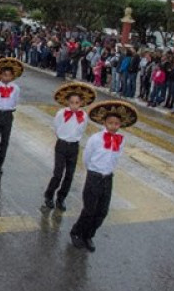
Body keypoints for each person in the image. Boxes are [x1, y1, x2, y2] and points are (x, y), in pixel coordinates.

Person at [70, 100, 138, 252]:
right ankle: (76, 232)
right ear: (104, 123)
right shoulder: (96, 138)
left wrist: (108, 171)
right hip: (94, 176)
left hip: (108, 177)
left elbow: (116, 156)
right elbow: (87, 157)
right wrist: (92, 171)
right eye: (110, 123)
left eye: (116, 123)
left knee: (102, 211)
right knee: (89, 209)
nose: (114, 126)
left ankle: (89, 234)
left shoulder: (121, 139)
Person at [43, 82, 95, 213]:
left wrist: (73, 139)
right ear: (67, 102)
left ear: (81, 103)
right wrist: (62, 137)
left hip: (74, 146)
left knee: (70, 174)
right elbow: (56, 126)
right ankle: (49, 195)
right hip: (61, 145)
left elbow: (82, 129)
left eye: (77, 103)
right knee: (58, 173)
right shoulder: (61, 113)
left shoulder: (83, 115)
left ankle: (61, 198)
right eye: (72, 102)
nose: (74, 105)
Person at [0, 57, 23, 175]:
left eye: (9, 75)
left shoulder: (16, 88)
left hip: (7, 115)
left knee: (5, 141)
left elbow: (15, 100)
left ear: (12, 76)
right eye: (4, 75)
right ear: (0, 75)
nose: (6, 77)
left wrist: (8, 108)